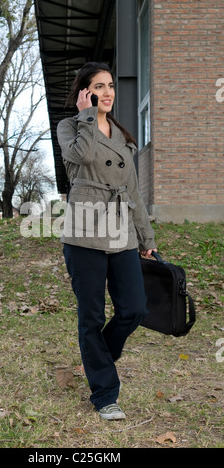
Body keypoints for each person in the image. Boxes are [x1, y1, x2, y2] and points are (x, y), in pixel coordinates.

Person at [57, 62, 157, 420]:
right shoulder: (70, 126)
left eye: (111, 85)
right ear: (85, 92)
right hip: (84, 231)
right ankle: (105, 394)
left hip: (123, 231)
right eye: (99, 86)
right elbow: (79, 157)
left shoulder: (122, 135)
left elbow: (133, 191)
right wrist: (86, 116)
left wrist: (147, 238)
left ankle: (98, 357)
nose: (109, 92)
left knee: (134, 308)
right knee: (92, 316)